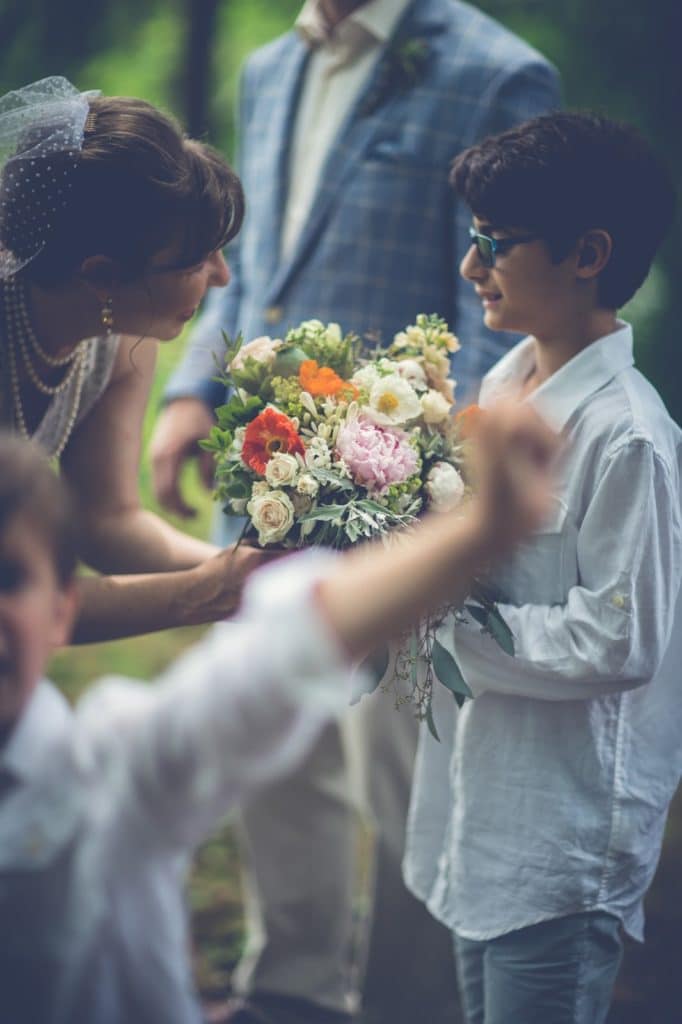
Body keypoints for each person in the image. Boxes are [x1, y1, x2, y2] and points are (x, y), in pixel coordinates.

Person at [150, 3, 561, 1020]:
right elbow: (254, 270)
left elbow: (493, 306)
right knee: (270, 736)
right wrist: (190, 394)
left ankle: (405, 1001)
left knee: (405, 770)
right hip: (267, 468)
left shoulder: (498, 73)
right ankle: (289, 982)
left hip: (405, 486)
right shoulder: (265, 69)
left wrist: (459, 487)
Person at [0, 400, 556, 1024]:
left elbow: (274, 662)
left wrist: (477, 531)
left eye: (8, 576)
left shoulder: (104, 772)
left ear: (61, 609)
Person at [402, 111, 681, 1024]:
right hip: (475, 805)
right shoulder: (496, 387)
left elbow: (619, 639)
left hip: (557, 838)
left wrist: (433, 619)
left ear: (588, 253)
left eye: (495, 243)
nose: (469, 267)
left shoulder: (628, 438)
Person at [0, 75, 268, 645]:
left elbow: (108, 521)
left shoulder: (121, 331)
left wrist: (258, 572)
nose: (222, 277)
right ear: (101, 274)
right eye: (197, 261)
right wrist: (201, 593)